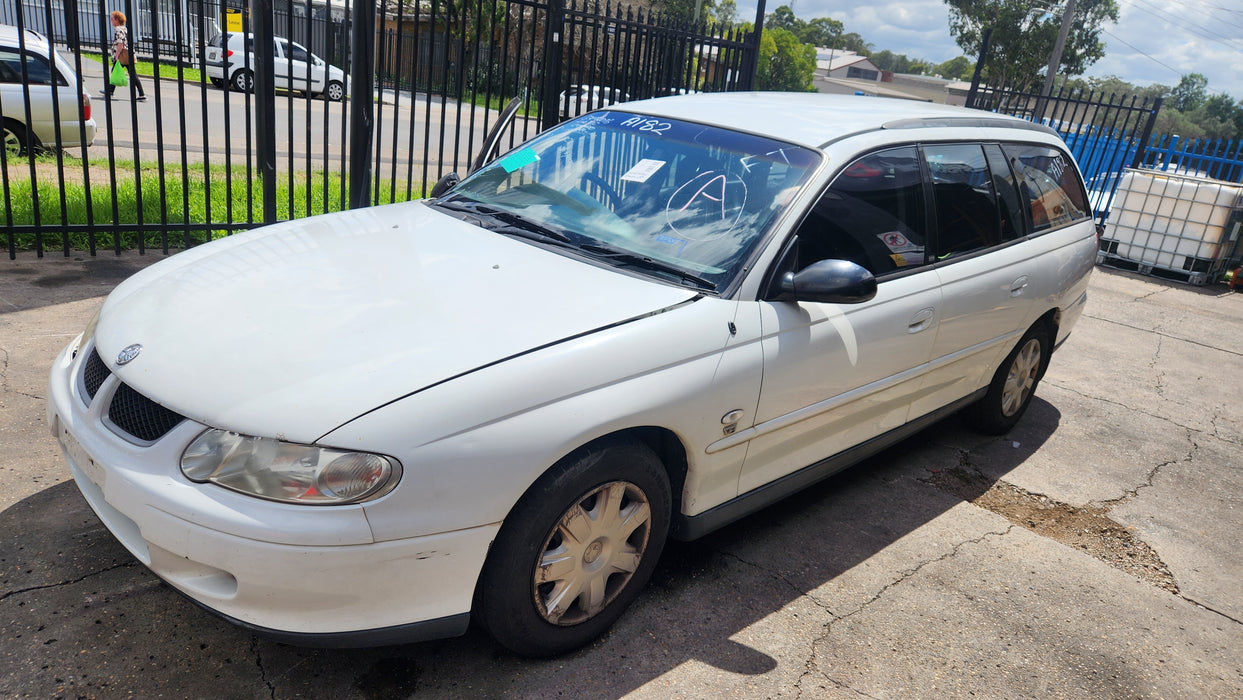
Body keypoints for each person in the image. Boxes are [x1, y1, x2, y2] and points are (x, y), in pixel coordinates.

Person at [102, 10, 145, 101]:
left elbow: (120, 43)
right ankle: (141, 94)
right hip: (128, 54)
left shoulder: (118, 30)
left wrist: (117, 55)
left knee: (116, 71)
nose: (111, 20)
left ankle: (110, 91)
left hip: (122, 54)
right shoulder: (124, 29)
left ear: (117, 20)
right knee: (131, 74)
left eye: (112, 18)